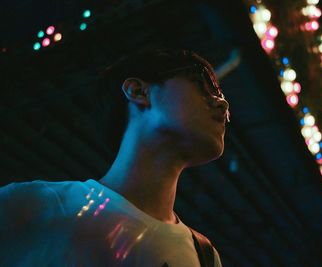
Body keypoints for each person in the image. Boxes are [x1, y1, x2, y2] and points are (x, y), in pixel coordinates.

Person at [0, 48, 230, 267]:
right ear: (138, 91)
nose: (223, 105)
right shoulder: (35, 206)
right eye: (202, 87)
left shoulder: (206, 257)